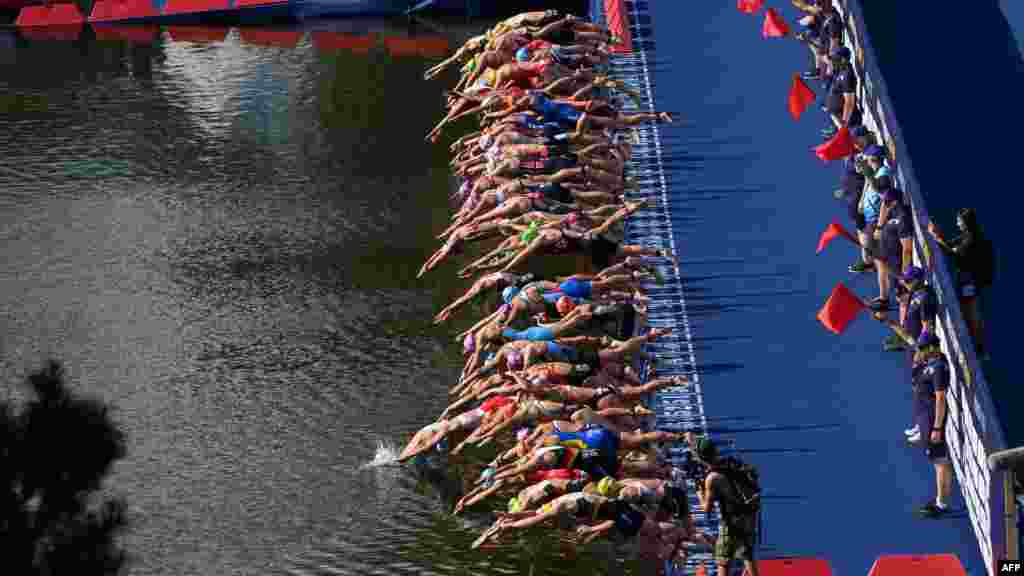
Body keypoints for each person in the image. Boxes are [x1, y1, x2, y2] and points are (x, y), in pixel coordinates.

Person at [928, 208, 993, 358]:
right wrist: (938, 237)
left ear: (965, 222)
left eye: (959, 220)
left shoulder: (970, 239)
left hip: (969, 281)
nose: (957, 223)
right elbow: (950, 246)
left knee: (970, 310)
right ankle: (977, 344)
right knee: (969, 309)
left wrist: (936, 237)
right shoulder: (968, 235)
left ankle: (978, 347)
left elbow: (953, 255)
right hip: (969, 279)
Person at [692, 436, 760, 576]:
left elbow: (706, 508)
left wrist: (699, 491)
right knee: (746, 554)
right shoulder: (732, 463)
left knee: (723, 560)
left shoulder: (712, 478)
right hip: (750, 515)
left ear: (700, 458)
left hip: (731, 521)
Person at [910, 332, 955, 518]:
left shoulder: (938, 368)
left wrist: (937, 427)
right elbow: (911, 341)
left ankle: (941, 503)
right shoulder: (931, 361)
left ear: (932, 348)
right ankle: (940, 500)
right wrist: (890, 322)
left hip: (932, 420)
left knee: (940, 462)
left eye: (921, 348)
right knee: (937, 461)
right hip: (925, 418)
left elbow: (941, 398)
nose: (918, 351)